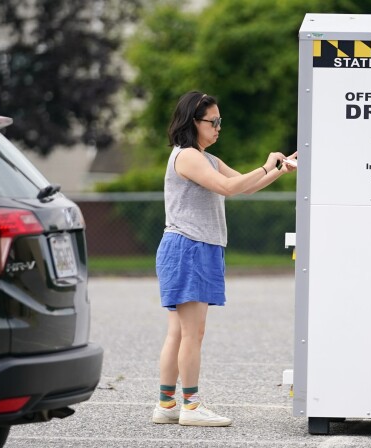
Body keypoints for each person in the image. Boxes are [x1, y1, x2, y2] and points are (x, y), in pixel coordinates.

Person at [151, 91, 297, 427]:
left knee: (180, 331)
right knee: (192, 332)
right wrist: (266, 164)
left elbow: (243, 186)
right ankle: (190, 406)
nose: (218, 127)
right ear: (193, 122)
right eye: (213, 122)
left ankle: (167, 404)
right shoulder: (187, 156)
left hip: (196, 247)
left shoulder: (207, 159)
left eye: (220, 121)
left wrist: (279, 169)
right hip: (188, 247)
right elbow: (227, 189)